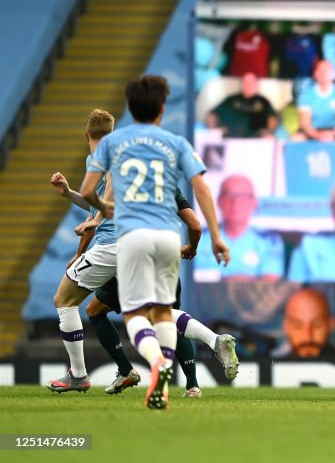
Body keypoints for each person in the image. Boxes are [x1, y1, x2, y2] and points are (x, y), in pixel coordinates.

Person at [46, 110, 237, 398]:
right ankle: (212, 343)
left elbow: (105, 199)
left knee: (64, 301)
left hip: (114, 246)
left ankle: (79, 375)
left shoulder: (106, 158)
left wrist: (94, 226)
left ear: (87, 135)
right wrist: (71, 194)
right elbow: (100, 205)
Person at [82, 75, 230, 410]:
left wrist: (104, 211)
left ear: (130, 108)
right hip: (168, 238)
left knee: (135, 315)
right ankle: (168, 376)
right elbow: (202, 191)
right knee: (164, 313)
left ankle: (158, 366)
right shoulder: (175, 144)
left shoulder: (112, 144)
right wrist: (216, 237)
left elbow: (92, 191)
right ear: (162, 110)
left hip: (133, 237)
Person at [194, 174, 284, 283]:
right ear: (219, 201)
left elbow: (270, 282)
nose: (235, 203)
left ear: (254, 203)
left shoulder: (270, 241)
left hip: (250, 298)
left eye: (243, 197)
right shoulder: (196, 237)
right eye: (229, 196)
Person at [204, 72, 278, 138]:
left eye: (251, 83)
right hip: (231, 139)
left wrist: (269, 132)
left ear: (256, 85)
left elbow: (273, 119)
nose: (248, 86)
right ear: (242, 85)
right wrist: (214, 130)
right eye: (246, 83)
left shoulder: (264, 102)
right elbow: (212, 114)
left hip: (257, 140)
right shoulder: (231, 100)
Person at [278, 287, 335, 358]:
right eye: (297, 326)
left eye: (317, 325)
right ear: (286, 326)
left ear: (331, 324)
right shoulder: (266, 364)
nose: (307, 336)